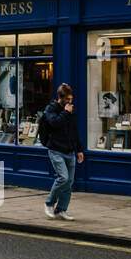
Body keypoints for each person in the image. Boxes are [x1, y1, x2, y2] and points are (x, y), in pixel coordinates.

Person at [40, 83, 83, 221]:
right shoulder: (51, 109)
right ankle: (49, 203)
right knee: (63, 178)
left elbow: (74, 130)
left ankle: (61, 209)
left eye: (71, 99)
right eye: (67, 99)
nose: (70, 102)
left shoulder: (70, 110)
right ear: (60, 97)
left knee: (69, 183)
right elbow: (55, 123)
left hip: (70, 151)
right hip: (56, 150)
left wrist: (80, 150)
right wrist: (65, 112)